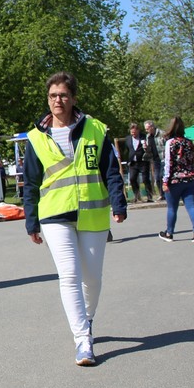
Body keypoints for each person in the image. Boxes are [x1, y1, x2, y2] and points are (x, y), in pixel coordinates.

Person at [23, 72, 127, 367]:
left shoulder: (95, 129)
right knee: (69, 275)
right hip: (55, 214)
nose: (58, 100)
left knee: (92, 279)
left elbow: (110, 170)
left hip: (93, 212)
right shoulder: (35, 137)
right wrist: (31, 220)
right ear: (48, 99)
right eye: (53, 95)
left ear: (73, 98)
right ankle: (82, 340)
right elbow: (30, 183)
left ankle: (87, 319)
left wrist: (118, 203)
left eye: (63, 95)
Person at [157, 116, 194, 243]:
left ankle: (169, 233)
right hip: (190, 178)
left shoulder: (171, 142)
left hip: (175, 180)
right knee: (191, 206)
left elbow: (168, 163)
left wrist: (165, 181)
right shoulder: (189, 142)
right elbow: (191, 160)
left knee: (172, 208)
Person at [122, 122, 151, 203]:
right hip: (133, 162)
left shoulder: (144, 137)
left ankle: (149, 196)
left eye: (134, 132)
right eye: (132, 132)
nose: (133, 134)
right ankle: (137, 196)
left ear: (138, 130)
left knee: (145, 179)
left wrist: (146, 147)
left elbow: (149, 148)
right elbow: (127, 150)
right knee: (132, 179)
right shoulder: (128, 139)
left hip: (143, 161)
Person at [143, 119, 165, 199]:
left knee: (162, 176)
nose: (146, 131)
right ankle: (161, 194)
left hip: (163, 158)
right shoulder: (148, 136)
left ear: (152, 127)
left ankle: (166, 194)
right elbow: (149, 150)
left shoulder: (162, 134)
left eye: (147, 129)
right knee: (157, 178)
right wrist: (145, 148)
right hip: (155, 160)